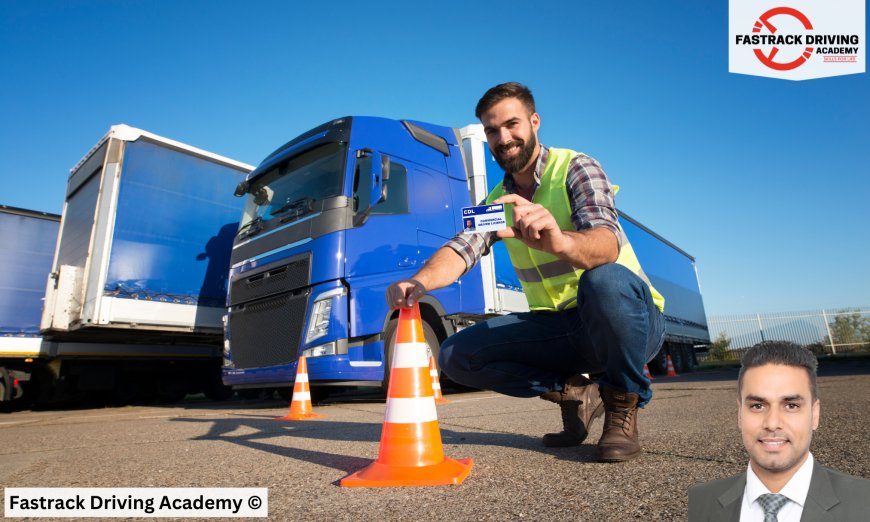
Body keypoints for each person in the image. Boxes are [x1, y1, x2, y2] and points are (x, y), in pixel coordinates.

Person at [385, 82, 665, 462]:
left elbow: (606, 242)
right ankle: (574, 392)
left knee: (605, 279)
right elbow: (460, 249)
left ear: (534, 122)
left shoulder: (577, 168)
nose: (503, 137)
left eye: (512, 124)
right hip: (559, 328)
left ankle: (621, 404)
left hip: (627, 323)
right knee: (455, 355)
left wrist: (560, 242)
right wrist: (419, 281)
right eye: (492, 130)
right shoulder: (497, 203)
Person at [688, 342, 870, 521]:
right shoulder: (701, 501)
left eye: (791, 406)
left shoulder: (864, 502)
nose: (772, 423)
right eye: (757, 406)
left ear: (815, 414)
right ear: (740, 414)